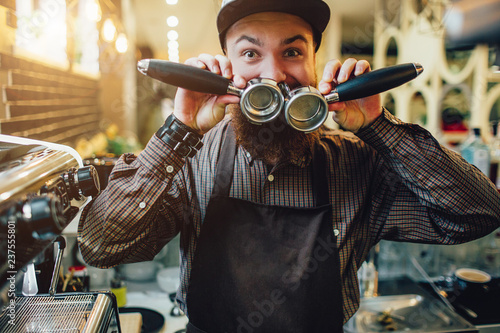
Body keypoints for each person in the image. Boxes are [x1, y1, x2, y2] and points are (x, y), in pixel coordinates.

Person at [78, 0, 500, 332]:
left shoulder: (356, 163)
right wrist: (178, 133)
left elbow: (478, 215)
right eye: (250, 53)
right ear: (226, 67)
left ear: (315, 62)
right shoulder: (190, 160)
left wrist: (378, 126)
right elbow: (101, 246)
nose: (274, 75)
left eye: (293, 51)